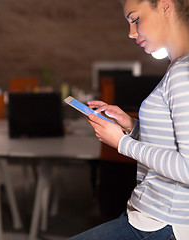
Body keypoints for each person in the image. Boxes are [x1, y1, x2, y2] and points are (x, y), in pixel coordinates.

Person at [67, 0, 189, 239]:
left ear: (165, 6)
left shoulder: (182, 72)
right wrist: (131, 127)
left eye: (135, 19)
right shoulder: (178, 67)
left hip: (162, 224)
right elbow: (173, 141)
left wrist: (122, 144)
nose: (131, 33)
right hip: (152, 218)